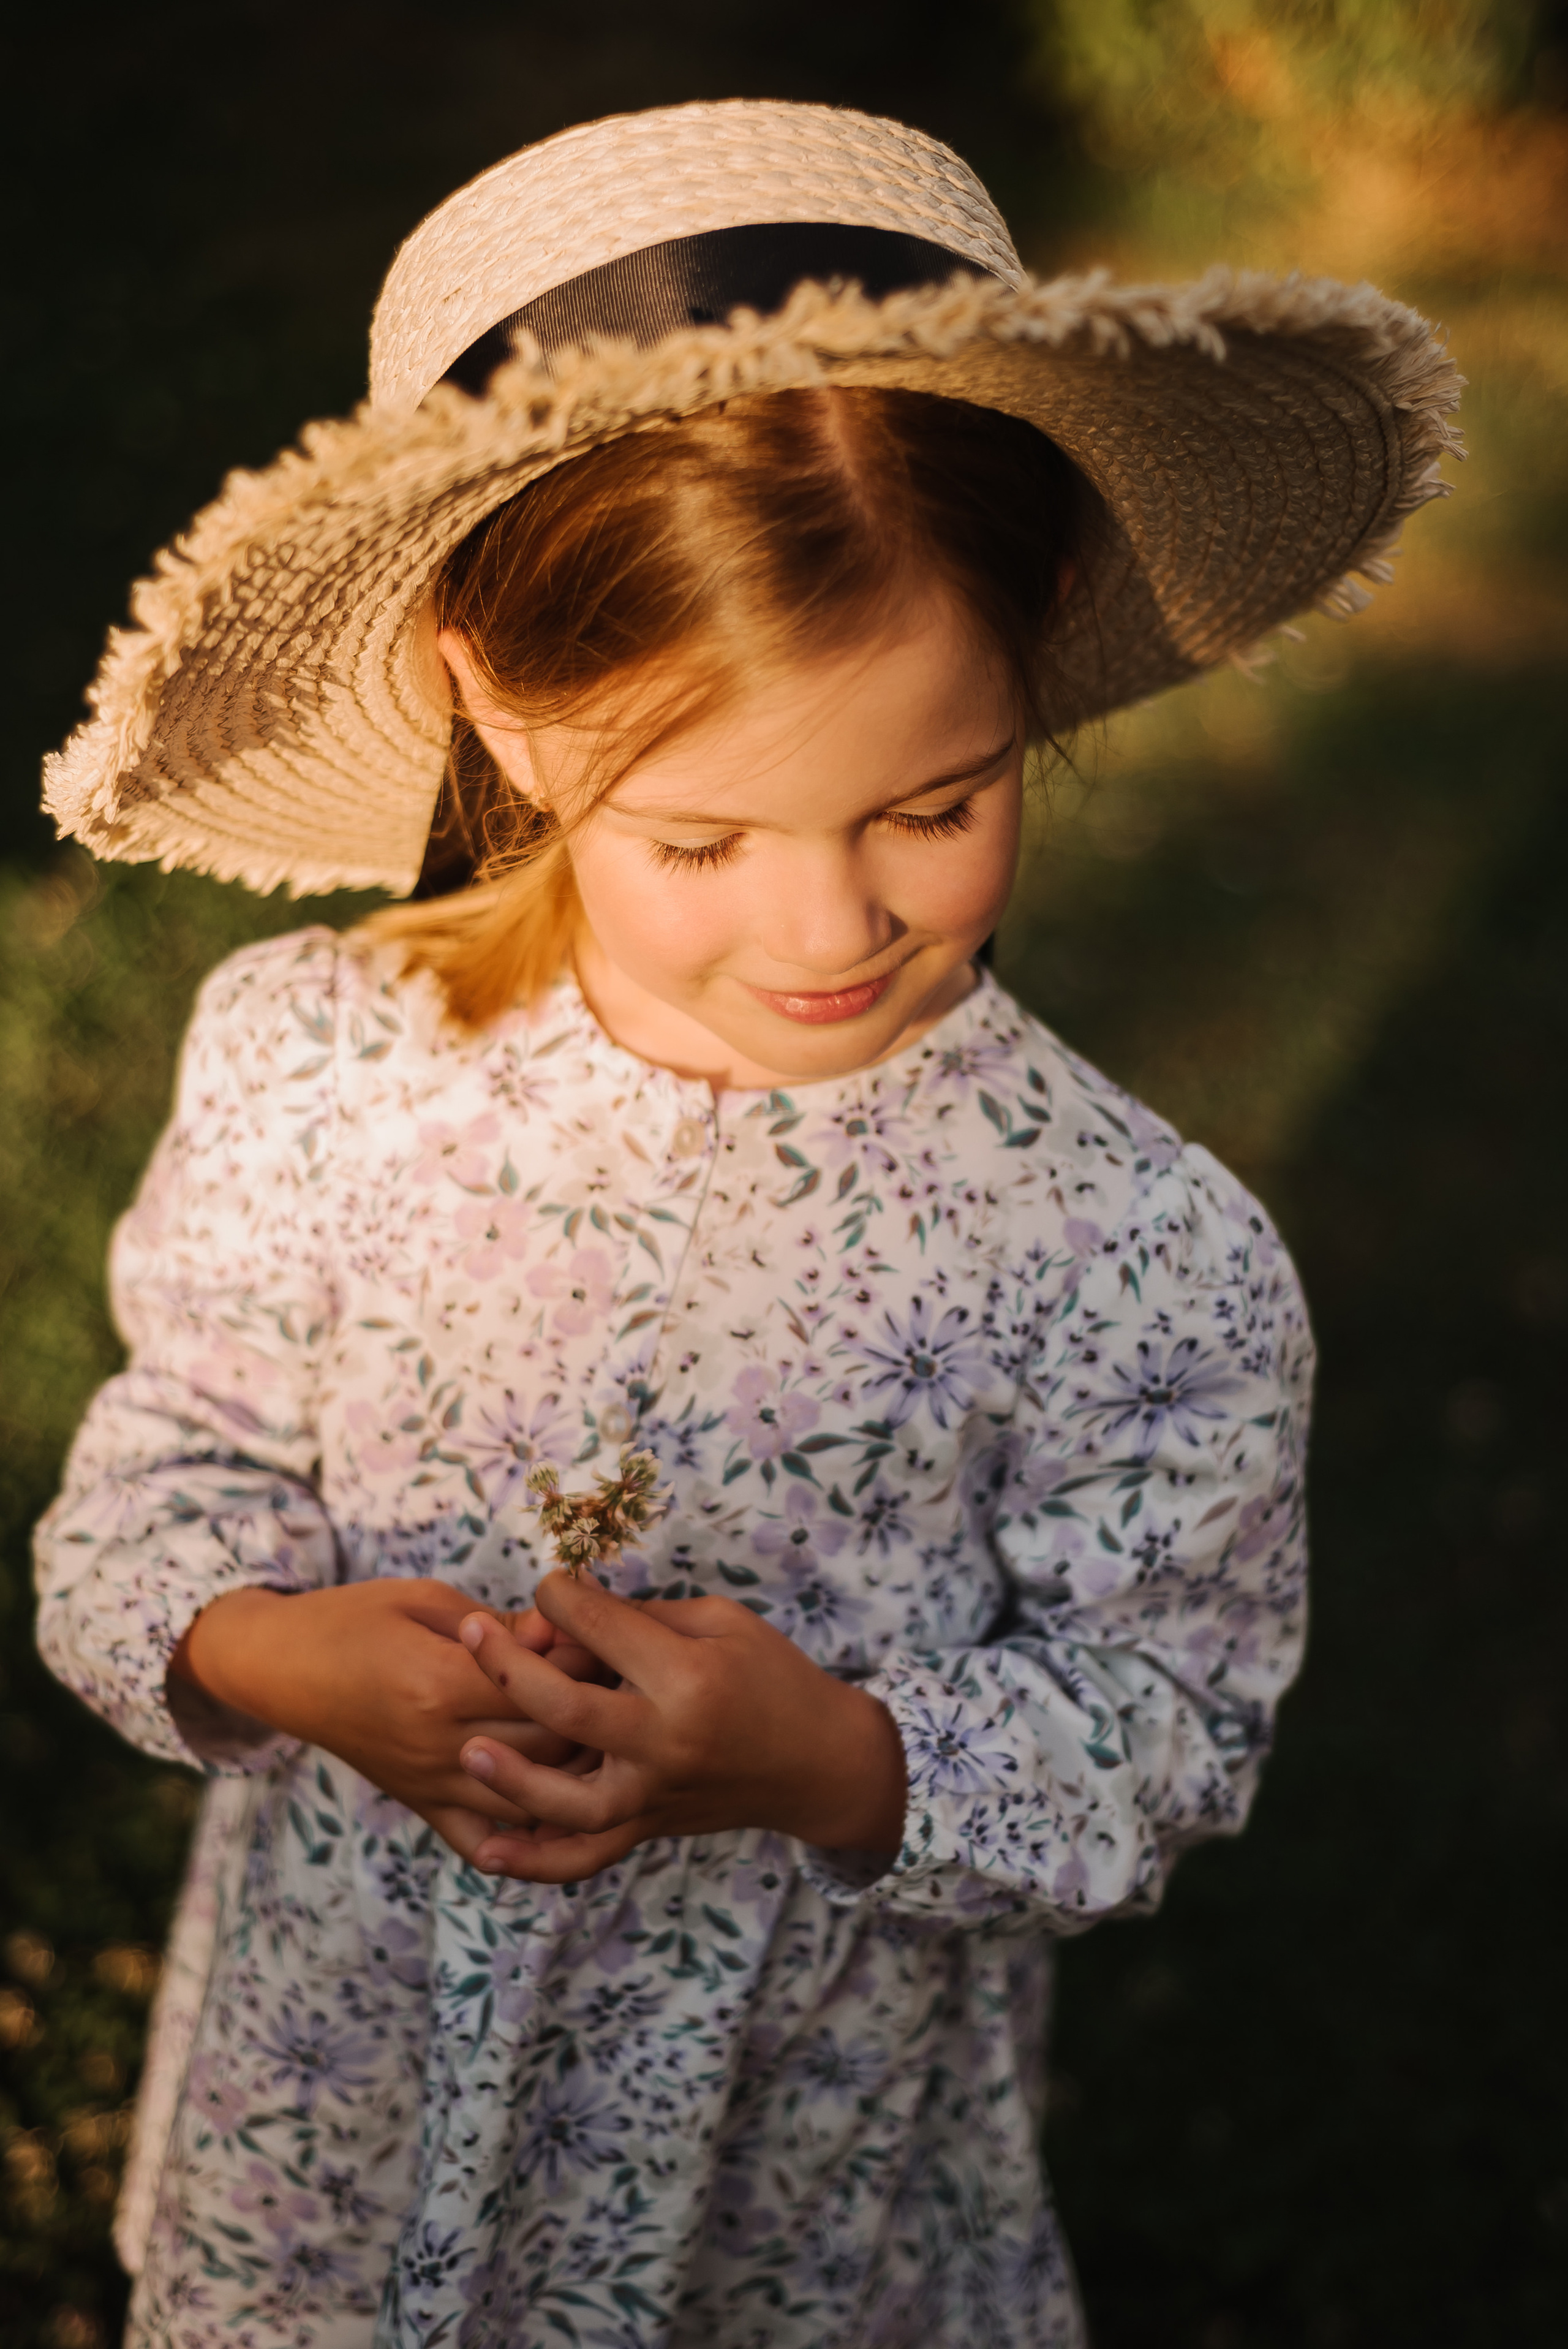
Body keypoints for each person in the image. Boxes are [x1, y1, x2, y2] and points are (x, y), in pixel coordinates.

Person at [33, 99, 1460, 2349]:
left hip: (779, 2179)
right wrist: (258, 1648)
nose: (825, 918)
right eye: (698, 836)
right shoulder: (324, 1057)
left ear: (1049, 631)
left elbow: (1163, 1722)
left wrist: (835, 1760)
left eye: (935, 800)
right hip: (343, 2098)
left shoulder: (1131, 1251)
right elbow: (166, 1460)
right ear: (501, 707)